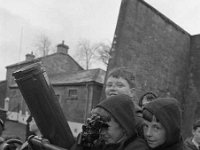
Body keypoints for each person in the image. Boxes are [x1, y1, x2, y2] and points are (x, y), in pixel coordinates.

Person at [71, 94, 149, 150]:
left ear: (124, 126)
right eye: (99, 127)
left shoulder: (137, 147)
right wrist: (82, 143)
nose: (102, 132)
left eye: (105, 127)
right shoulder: (102, 143)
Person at [105, 67, 144, 136]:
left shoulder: (139, 120)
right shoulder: (99, 114)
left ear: (131, 92)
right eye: (109, 85)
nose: (112, 88)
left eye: (120, 85)